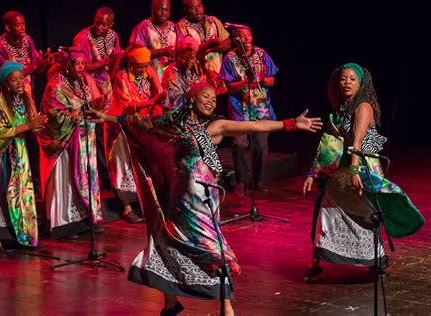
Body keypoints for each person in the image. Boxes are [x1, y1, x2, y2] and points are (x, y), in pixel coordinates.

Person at [89, 82, 322, 315]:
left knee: (212, 249)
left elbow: (253, 125)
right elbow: (140, 123)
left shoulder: (216, 126)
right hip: (174, 199)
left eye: (213, 97)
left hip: (200, 201)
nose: (211, 101)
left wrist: (291, 124)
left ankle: (226, 306)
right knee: (165, 243)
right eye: (205, 96)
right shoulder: (172, 123)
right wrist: (106, 117)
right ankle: (170, 303)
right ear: (192, 99)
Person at [302, 63, 424, 282]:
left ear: (361, 84)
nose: (347, 83)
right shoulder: (338, 111)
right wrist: (313, 173)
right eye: (343, 79)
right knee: (326, 209)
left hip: (361, 166)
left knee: (368, 214)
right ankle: (316, 261)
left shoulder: (363, 106)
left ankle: (375, 260)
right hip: (342, 169)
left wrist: (355, 171)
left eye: (352, 79)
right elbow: (328, 145)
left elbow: (357, 143)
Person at [0, 61, 47, 257]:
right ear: (5, 82)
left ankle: (21, 235)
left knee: (20, 195)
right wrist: (28, 126)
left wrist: (41, 124)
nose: (20, 82)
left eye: (21, 78)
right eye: (14, 80)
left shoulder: (25, 97)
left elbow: (33, 123)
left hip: (18, 152)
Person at [0, 10, 52, 199]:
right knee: (15, 143)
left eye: (24, 24)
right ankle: (14, 189)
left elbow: (36, 70)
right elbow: (0, 77)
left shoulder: (27, 40)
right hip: (8, 101)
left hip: (26, 97)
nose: (23, 28)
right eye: (18, 25)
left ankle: (38, 184)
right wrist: (31, 68)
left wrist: (43, 64)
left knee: (34, 141)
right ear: (7, 27)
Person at [38, 53, 103, 240]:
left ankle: (83, 220)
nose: (81, 67)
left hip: (83, 138)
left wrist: (95, 107)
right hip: (65, 140)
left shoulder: (83, 83)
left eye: (83, 63)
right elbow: (54, 114)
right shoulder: (55, 85)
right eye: (77, 64)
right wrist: (79, 112)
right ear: (67, 66)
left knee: (84, 177)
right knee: (65, 180)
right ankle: (64, 224)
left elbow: (89, 104)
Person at [105, 46, 165, 223]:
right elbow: (127, 106)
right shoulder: (121, 77)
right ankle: (126, 207)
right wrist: (152, 101)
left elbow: (159, 91)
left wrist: (157, 89)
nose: (143, 69)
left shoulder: (148, 71)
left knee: (144, 164)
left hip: (142, 124)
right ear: (131, 64)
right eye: (140, 66)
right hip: (122, 125)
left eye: (146, 66)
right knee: (123, 165)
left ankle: (146, 203)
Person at [218, 26, 279, 196]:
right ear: (235, 39)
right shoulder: (230, 58)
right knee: (240, 144)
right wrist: (245, 82)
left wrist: (263, 80)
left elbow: (272, 80)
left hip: (261, 108)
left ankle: (257, 181)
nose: (247, 39)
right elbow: (229, 87)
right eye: (242, 37)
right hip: (239, 109)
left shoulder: (262, 54)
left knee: (260, 146)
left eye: (249, 36)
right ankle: (241, 181)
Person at [73, 7, 122, 189]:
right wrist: (109, 61)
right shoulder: (82, 38)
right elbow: (81, 68)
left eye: (104, 24)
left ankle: (109, 176)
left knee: (108, 132)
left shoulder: (113, 36)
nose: (99, 26)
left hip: (107, 90)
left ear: (111, 24)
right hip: (87, 91)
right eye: (97, 22)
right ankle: (94, 178)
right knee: (93, 133)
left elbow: (116, 60)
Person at [176, 0, 231, 75]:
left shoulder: (213, 20)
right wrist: (206, 46)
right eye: (192, 8)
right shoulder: (181, 27)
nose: (198, 10)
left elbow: (228, 43)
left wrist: (215, 48)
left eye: (199, 6)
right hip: (195, 75)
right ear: (185, 10)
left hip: (217, 73)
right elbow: (183, 54)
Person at [129, 0, 177, 81]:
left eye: (167, 10)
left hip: (172, 79)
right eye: (160, 9)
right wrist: (162, 52)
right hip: (149, 78)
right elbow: (137, 54)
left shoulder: (174, 27)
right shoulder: (143, 27)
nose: (164, 13)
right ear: (152, 9)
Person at [162, 36, 211, 109]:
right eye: (185, 58)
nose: (188, 62)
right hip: (177, 113)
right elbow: (174, 100)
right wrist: (196, 97)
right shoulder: (170, 73)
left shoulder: (197, 68)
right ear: (177, 56)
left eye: (192, 58)